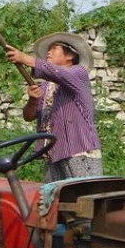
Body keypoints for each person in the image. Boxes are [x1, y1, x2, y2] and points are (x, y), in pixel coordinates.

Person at [6, 32, 103, 183]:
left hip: (79, 152)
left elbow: (62, 74)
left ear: (70, 55)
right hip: (53, 154)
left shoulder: (78, 73)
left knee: (84, 198)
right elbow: (29, 116)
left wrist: (25, 59)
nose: (49, 52)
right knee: (55, 201)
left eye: (54, 48)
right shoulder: (46, 86)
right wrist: (32, 100)